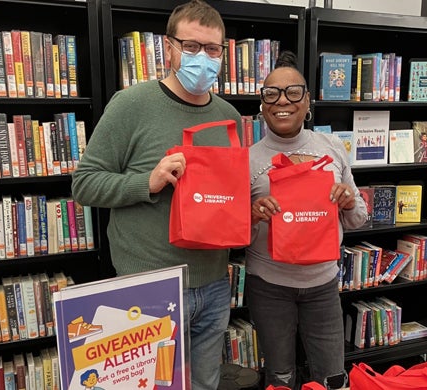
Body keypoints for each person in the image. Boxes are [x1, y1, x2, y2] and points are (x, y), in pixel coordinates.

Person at [71, 1, 243, 389]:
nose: (203, 57)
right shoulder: (131, 104)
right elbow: (84, 184)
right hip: (148, 286)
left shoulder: (230, 117)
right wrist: (145, 183)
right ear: (168, 49)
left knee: (205, 384)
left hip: (214, 284)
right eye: (191, 46)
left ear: (223, 52)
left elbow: (225, 197)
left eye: (212, 49)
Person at [245, 51, 367, 389]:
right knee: (280, 377)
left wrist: (347, 201)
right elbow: (234, 236)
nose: (282, 101)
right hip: (269, 286)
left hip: (323, 285)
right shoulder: (247, 159)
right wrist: (252, 215)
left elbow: (358, 219)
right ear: (263, 103)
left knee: (332, 377)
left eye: (293, 92)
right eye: (272, 93)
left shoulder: (332, 149)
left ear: (308, 99)